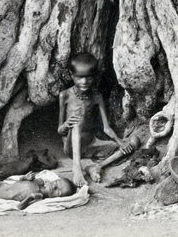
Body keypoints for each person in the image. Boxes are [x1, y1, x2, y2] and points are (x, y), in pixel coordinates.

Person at [58, 53, 135, 187]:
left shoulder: (96, 96)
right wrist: (66, 125)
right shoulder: (65, 95)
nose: (84, 82)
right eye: (79, 77)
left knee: (135, 141)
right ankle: (77, 168)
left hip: (92, 144)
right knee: (77, 122)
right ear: (71, 75)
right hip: (72, 148)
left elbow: (106, 128)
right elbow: (60, 130)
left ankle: (98, 166)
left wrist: (120, 142)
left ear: (94, 76)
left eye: (89, 78)